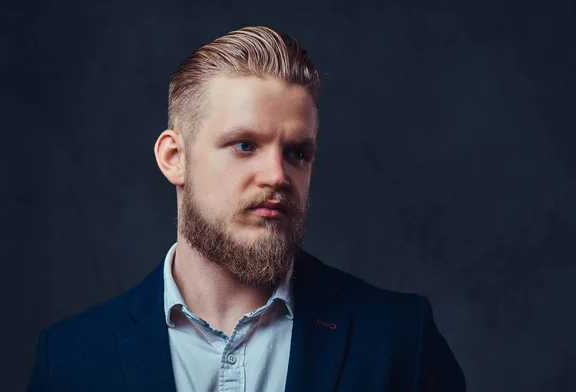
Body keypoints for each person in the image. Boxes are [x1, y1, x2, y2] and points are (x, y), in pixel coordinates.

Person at [27, 26, 465, 392]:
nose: (277, 175)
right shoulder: (71, 359)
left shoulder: (401, 340)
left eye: (297, 152)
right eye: (244, 145)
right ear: (173, 158)